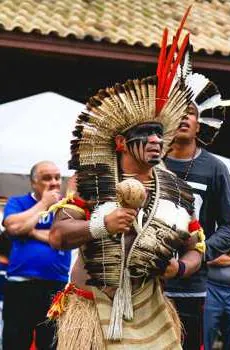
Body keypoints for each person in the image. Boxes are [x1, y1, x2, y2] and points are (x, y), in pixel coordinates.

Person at [47, 26, 204, 349]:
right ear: (120, 142)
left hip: (150, 310)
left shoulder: (175, 191)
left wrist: (181, 267)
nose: (156, 140)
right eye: (146, 134)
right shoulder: (91, 182)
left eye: (160, 134)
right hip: (92, 306)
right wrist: (100, 225)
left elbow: (196, 247)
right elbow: (57, 236)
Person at [163, 43, 230, 350]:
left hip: (193, 288)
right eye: (178, 111)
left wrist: (200, 252)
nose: (184, 117)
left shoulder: (215, 168)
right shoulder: (149, 161)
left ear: (200, 122)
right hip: (146, 283)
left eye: (191, 112)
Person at [2, 161, 71, 349]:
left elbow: (63, 238)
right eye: (47, 178)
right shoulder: (18, 202)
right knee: (15, 340)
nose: (54, 182)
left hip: (56, 286)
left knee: (51, 343)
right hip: (20, 284)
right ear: (33, 183)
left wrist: (30, 231)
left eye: (57, 177)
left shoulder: (67, 207)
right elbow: (13, 226)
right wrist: (44, 204)